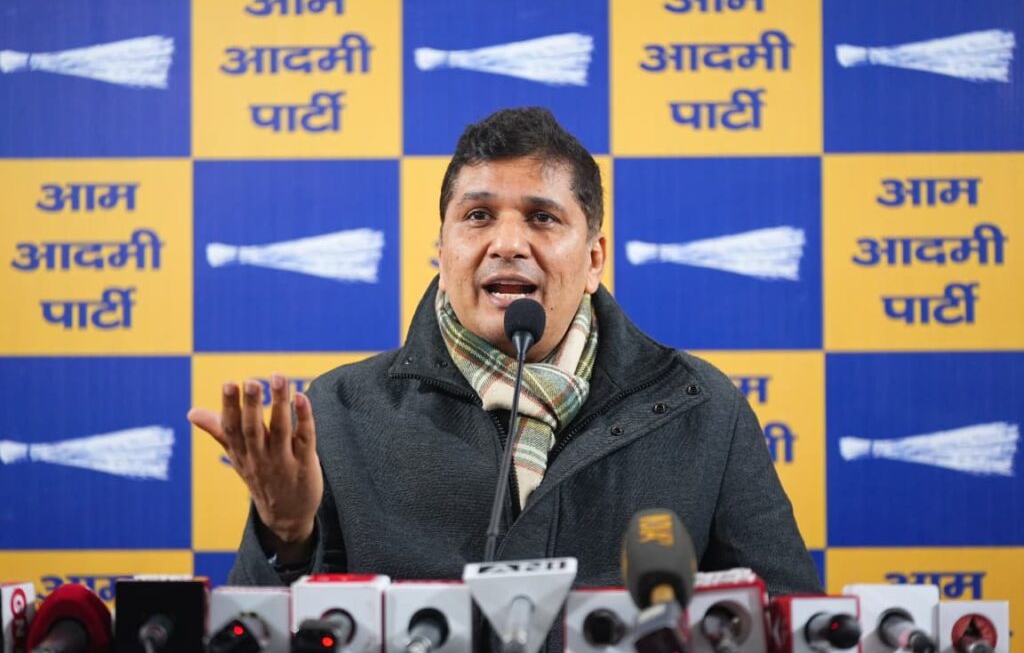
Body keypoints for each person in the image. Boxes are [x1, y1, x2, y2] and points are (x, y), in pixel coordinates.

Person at [189, 106, 821, 609]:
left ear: (594, 259)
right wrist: (286, 536)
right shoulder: (339, 412)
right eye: (478, 216)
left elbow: (787, 621)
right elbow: (261, 634)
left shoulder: (700, 410)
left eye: (542, 218)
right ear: (442, 250)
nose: (508, 243)